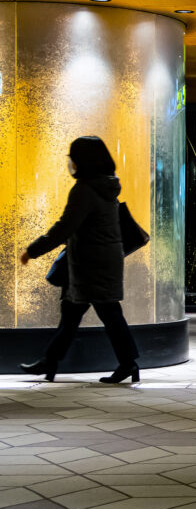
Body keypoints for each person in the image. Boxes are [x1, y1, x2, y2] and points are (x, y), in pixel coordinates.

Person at [18, 136, 141, 384]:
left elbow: (65, 227)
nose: (70, 162)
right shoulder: (106, 185)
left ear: (83, 160)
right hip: (97, 261)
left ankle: (128, 363)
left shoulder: (85, 190)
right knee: (74, 313)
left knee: (107, 313)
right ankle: (51, 362)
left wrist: (33, 250)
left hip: (91, 265)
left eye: (73, 158)